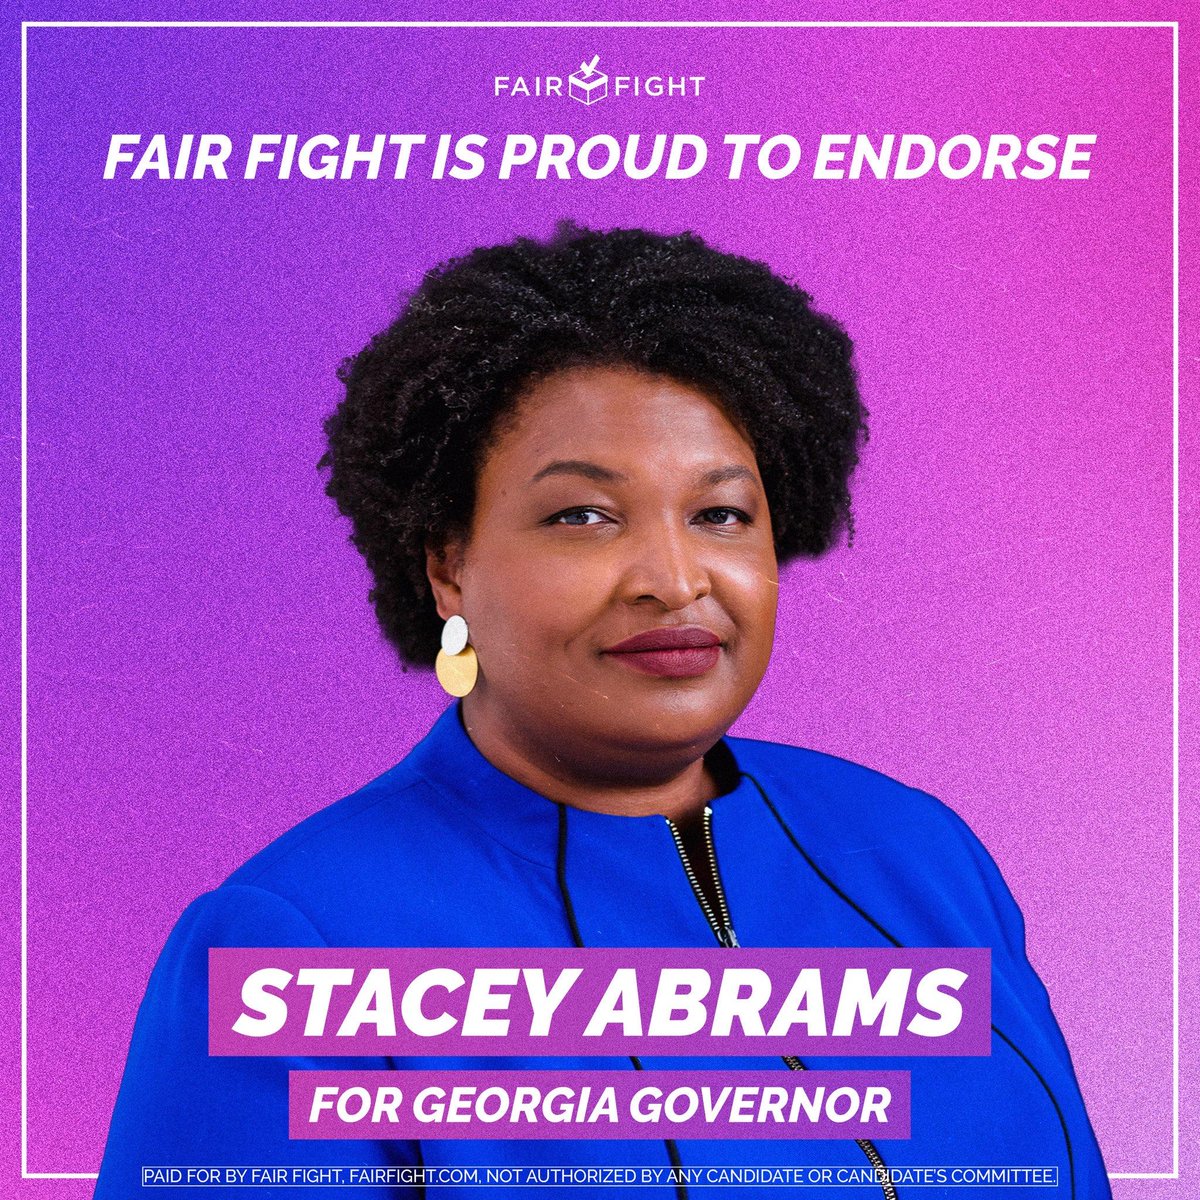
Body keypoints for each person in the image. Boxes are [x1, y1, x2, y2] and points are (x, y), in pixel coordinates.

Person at [96, 226, 1110, 1199]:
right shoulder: (297, 944)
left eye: (720, 513)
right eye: (581, 515)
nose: (674, 579)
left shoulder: (917, 853)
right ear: (448, 566)